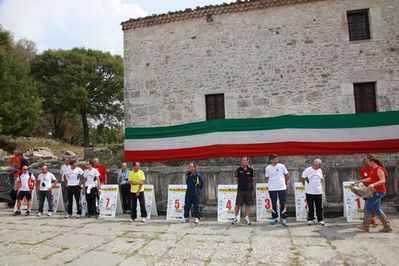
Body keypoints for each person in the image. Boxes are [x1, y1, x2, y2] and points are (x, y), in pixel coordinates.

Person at [357, 157, 393, 232]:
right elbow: (370, 178)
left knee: (367, 206)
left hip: (378, 191)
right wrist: (360, 180)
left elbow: (383, 181)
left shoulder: (379, 169)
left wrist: (373, 185)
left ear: (372, 161)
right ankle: (387, 226)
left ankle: (365, 225)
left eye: (368, 162)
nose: (367, 164)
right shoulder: (374, 169)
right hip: (376, 191)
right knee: (377, 208)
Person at [265, 154, 290, 226]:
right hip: (272, 188)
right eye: (275, 159)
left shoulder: (281, 166)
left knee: (282, 203)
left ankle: (284, 218)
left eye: (277, 159)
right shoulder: (268, 168)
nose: (277, 160)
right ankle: (274, 218)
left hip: (281, 187)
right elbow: (267, 177)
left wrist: (284, 182)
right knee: (273, 203)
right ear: (271, 160)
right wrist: (271, 184)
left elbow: (287, 175)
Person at [300, 159, 325, 226]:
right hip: (309, 192)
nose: (319, 167)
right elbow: (302, 179)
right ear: (314, 164)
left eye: (320, 166)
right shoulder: (307, 170)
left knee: (319, 206)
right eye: (319, 165)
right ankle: (310, 219)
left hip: (318, 191)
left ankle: (320, 219)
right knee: (310, 206)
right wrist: (306, 186)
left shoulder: (320, 170)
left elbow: (321, 179)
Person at [232, 157, 255, 225]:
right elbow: (237, 179)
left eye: (245, 160)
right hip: (240, 190)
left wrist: (249, 185)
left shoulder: (251, 169)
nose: (243, 161)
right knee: (237, 204)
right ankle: (236, 217)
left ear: (247, 161)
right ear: (241, 162)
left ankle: (246, 217)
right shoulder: (238, 169)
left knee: (248, 204)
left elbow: (253, 179)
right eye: (242, 160)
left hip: (249, 190)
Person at [358, 156, 379, 227]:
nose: (366, 163)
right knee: (367, 204)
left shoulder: (374, 169)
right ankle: (367, 220)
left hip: (375, 189)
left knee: (373, 205)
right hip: (367, 189)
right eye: (365, 162)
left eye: (367, 162)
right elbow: (362, 179)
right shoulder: (363, 170)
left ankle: (372, 219)